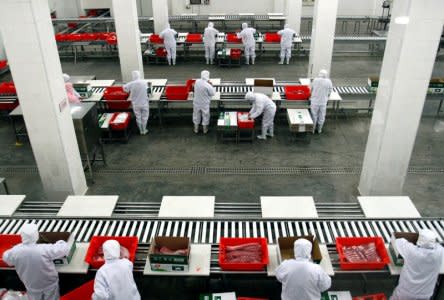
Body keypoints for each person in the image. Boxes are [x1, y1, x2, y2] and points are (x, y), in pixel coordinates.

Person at [2, 223, 70, 300]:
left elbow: (6, 258)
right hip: (50, 285)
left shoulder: (15, 251)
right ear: (36, 235)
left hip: (32, 287)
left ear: (22, 236)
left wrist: (18, 248)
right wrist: (60, 241)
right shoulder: (44, 249)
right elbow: (64, 248)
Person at [390, 229, 444, 300]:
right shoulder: (439, 252)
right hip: (425, 295)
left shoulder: (412, 251)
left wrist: (414, 238)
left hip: (405, 294)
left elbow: (398, 241)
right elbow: (438, 246)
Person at [124, 70, 149, 135]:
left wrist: (129, 91)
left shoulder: (131, 83)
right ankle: (144, 130)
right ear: (139, 75)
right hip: (144, 103)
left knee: (138, 117)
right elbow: (148, 90)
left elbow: (124, 88)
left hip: (136, 104)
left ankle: (140, 131)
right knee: (145, 117)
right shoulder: (144, 82)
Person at [310, 69, 333, 134]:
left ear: (319, 74)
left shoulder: (315, 80)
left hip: (314, 102)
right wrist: (327, 97)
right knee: (322, 116)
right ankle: (319, 129)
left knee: (314, 115)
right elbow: (330, 91)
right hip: (323, 102)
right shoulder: (329, 81)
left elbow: (311, 89)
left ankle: (313, 130)